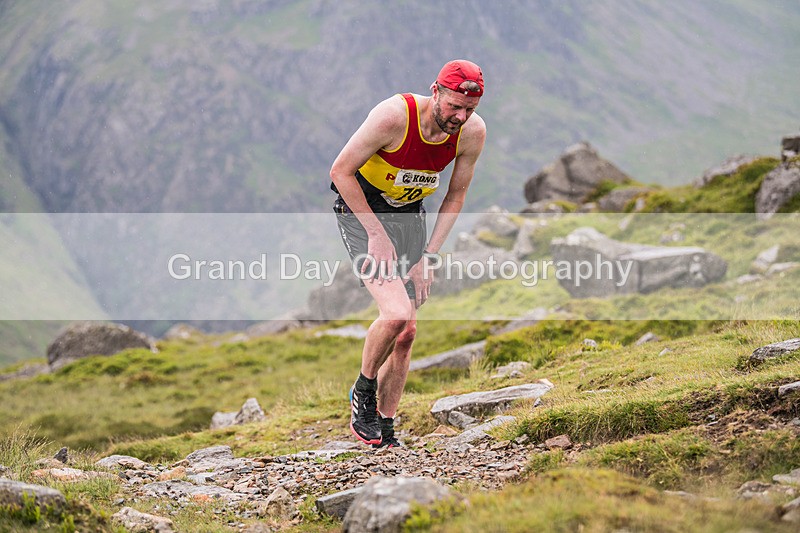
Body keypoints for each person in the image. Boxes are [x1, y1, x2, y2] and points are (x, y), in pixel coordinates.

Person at [329, 60, 487, 447]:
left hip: (409, 217)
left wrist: (428, 256)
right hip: (362, 214)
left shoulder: (472, 133)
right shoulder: (393, 117)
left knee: (407, 333)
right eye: (454, 106)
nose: (460, 117)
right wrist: (375, 234)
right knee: (396, 314)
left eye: (469, 109)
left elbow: (456, 195)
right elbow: (340, 171)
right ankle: (362, 392)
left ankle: (385, 427)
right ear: (435, 91)